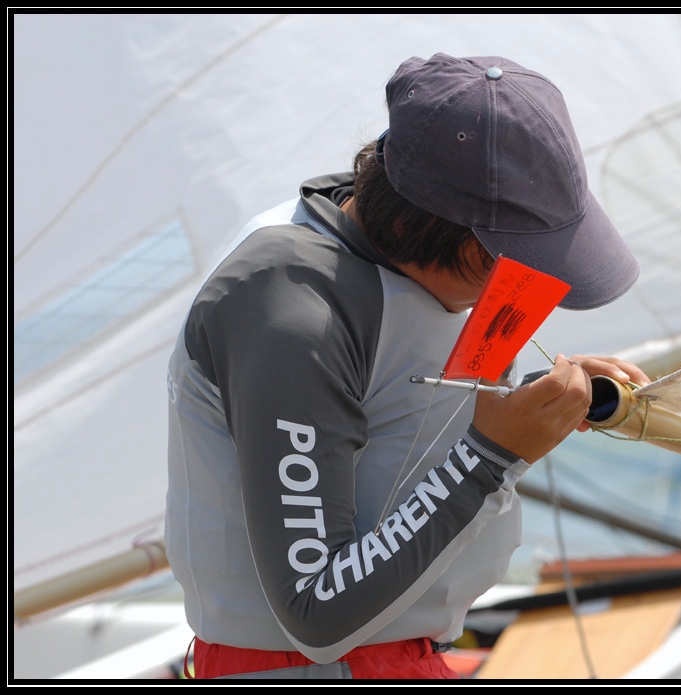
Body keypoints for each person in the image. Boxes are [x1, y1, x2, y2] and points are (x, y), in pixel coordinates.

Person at [164, 53, 651, 679]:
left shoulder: (396, 251)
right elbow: (316, 609)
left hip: (401, 657)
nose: (521, 289)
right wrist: (489, 455)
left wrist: (534, 406)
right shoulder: (289, 309)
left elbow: (396, 414)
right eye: (512, 263)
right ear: (455, 240)